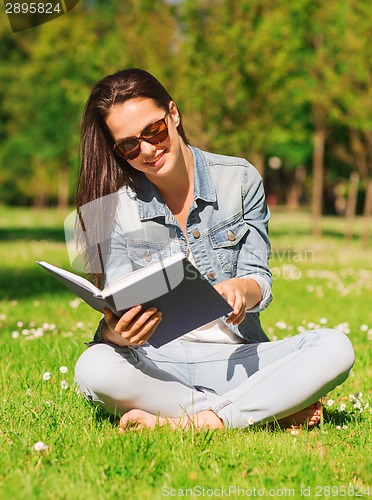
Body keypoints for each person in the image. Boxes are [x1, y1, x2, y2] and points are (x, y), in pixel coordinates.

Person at [74, 68, 354, 430]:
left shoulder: (239, 180)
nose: (147, 150)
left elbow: (258, 278)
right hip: (158, 364)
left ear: (173, 114)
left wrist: (242, 289)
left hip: (237, 358)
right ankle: (259, 408)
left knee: (335, 347)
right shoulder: (115, 208)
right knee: (94, 369)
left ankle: (198, 420)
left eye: (153, 130)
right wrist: (116, 332)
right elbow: (119, 302)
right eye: (129, 145)